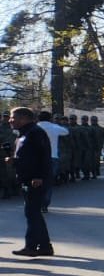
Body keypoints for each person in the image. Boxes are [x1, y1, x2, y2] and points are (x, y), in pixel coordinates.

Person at [8, 107, 53, 257]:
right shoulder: (24, 133)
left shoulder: (35, 132)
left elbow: (43, 156)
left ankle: (31, 247)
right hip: (27, 178)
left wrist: (38, 176)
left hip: (35, 180)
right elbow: (27, 156)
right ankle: (45, 246)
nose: (10, 120)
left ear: (23, 118)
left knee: (32, 213)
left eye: (13, 117)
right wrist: (14, 160)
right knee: (34, 213)